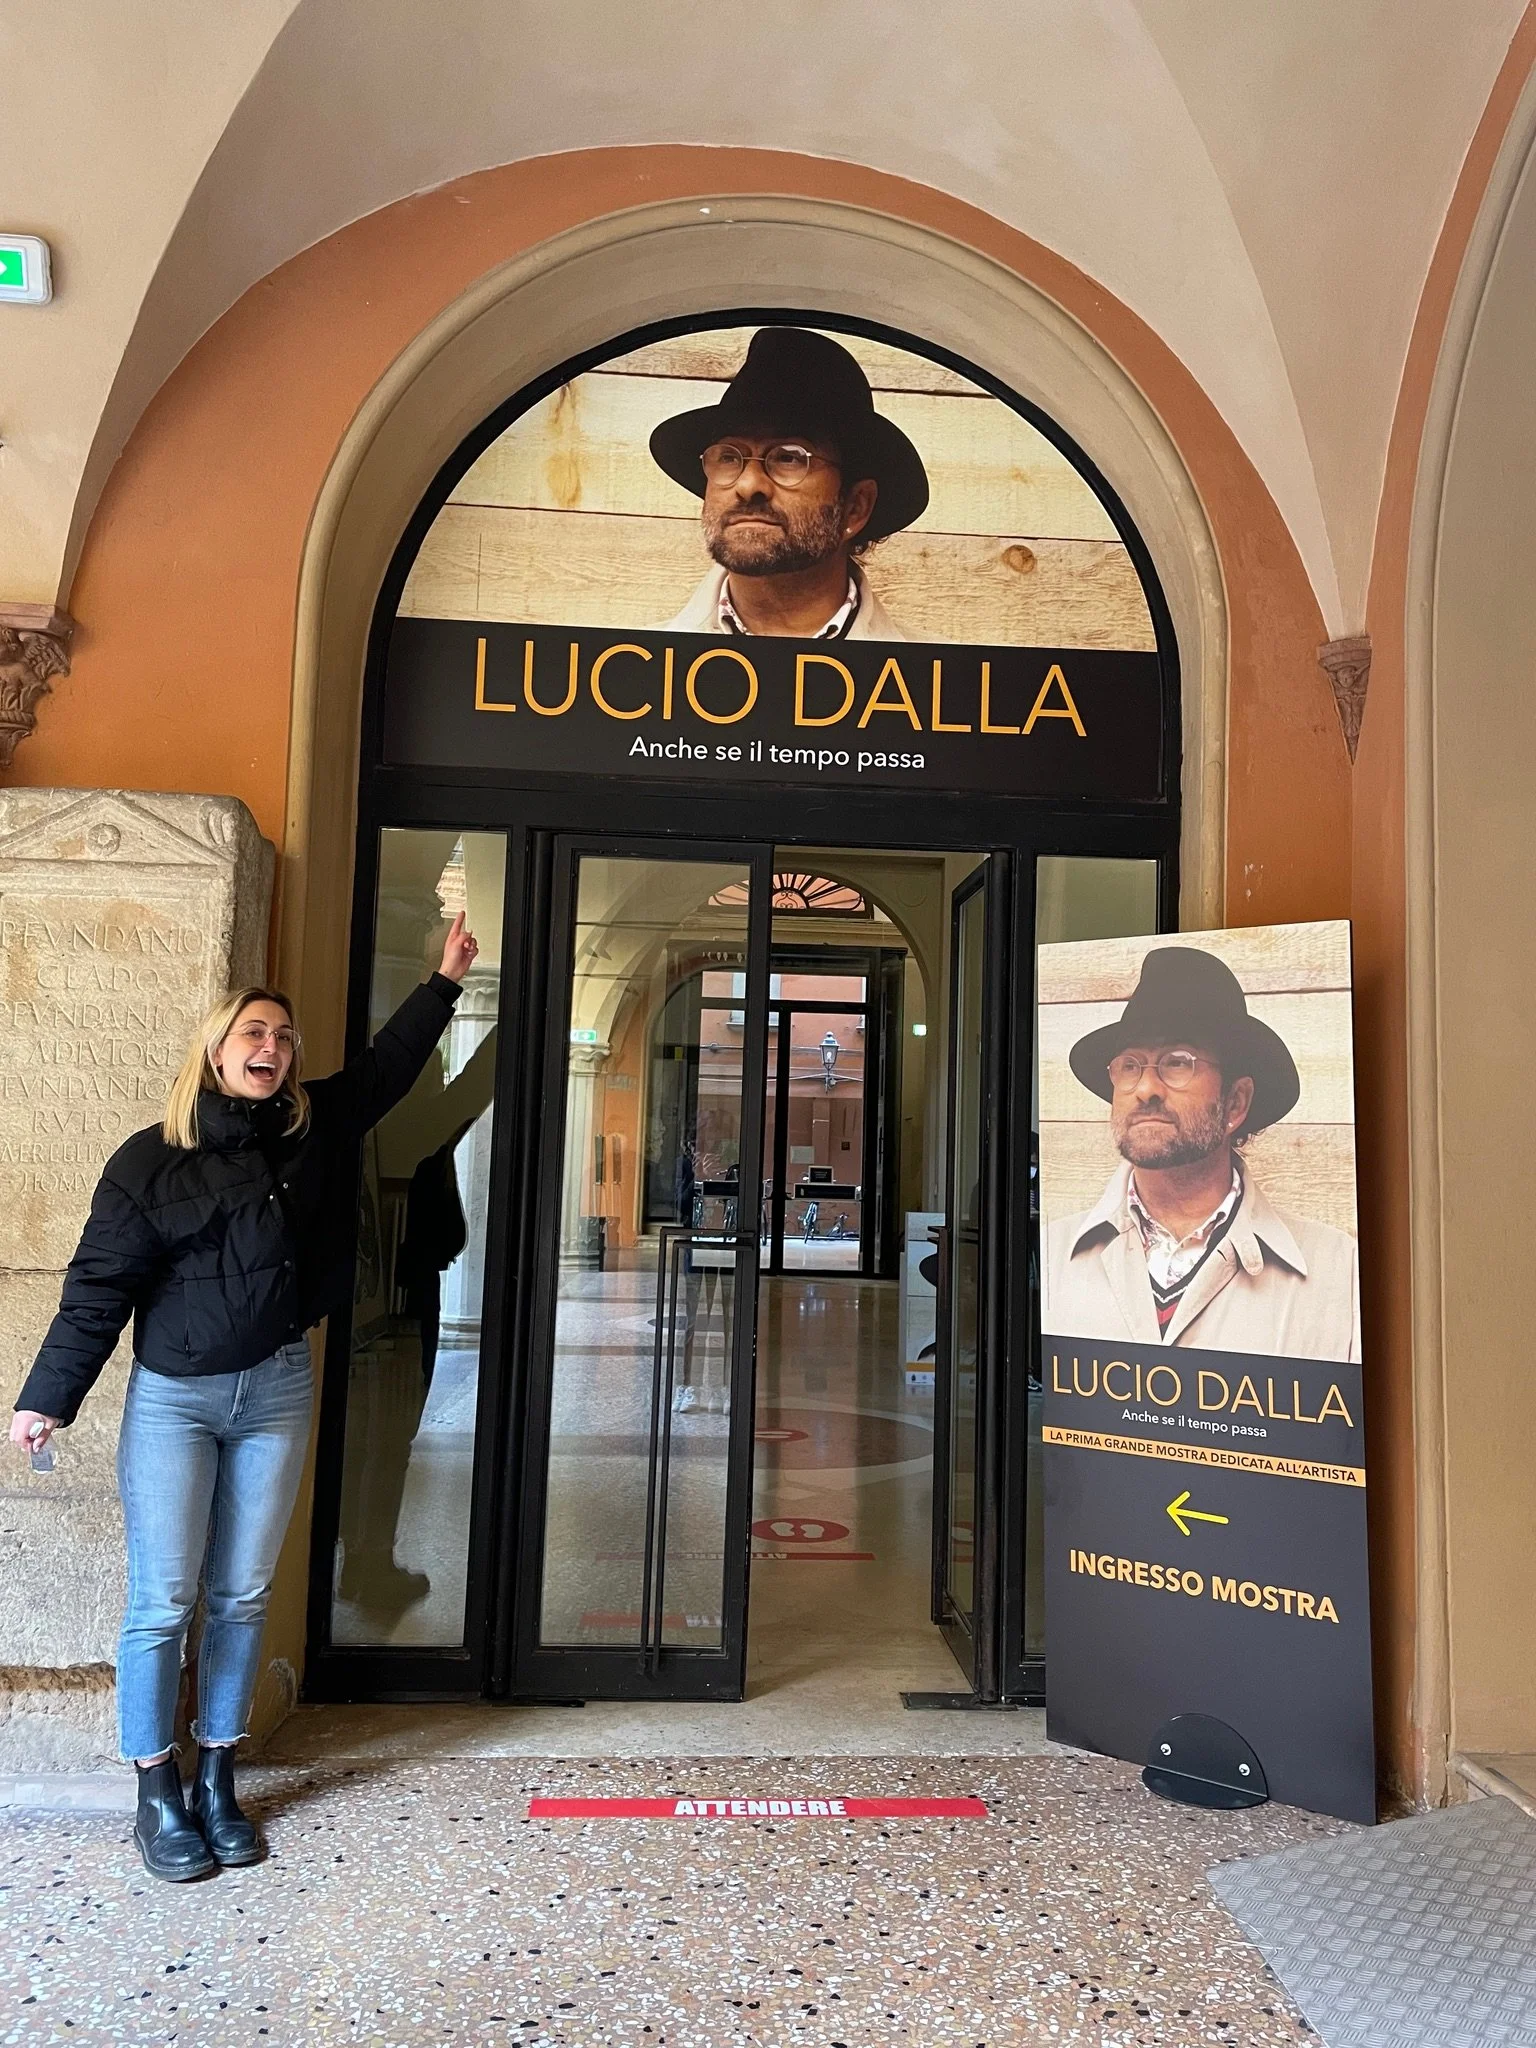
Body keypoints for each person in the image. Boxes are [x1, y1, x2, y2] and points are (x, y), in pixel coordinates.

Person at [8, 913, 479, 1881]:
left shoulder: (312, 1129)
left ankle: (219, 1773)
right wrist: (46, 1395)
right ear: (216, 1052)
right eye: (253, 1033)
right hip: (175, 1400)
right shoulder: (150, 1160)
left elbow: (387, 1068)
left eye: (283, 1035)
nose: (272, 1047)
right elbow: (97, 1285)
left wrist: (444, 983)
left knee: (242, 1592)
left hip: (275, 1389)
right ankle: (155, 1787)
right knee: (162, 1598)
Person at [1042, 945, 1360, 1363]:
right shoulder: (1049, 1257)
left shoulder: (1337, 1273)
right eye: (1130, 1066)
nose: (1145, 1089)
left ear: (1235, 1103)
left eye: (1177, 1063)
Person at [649, 326, 928, 640]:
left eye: (788, 458)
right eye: (728, 458)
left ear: (854, 507)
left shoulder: (937, 683)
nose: (748, 485)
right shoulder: (635, 674)